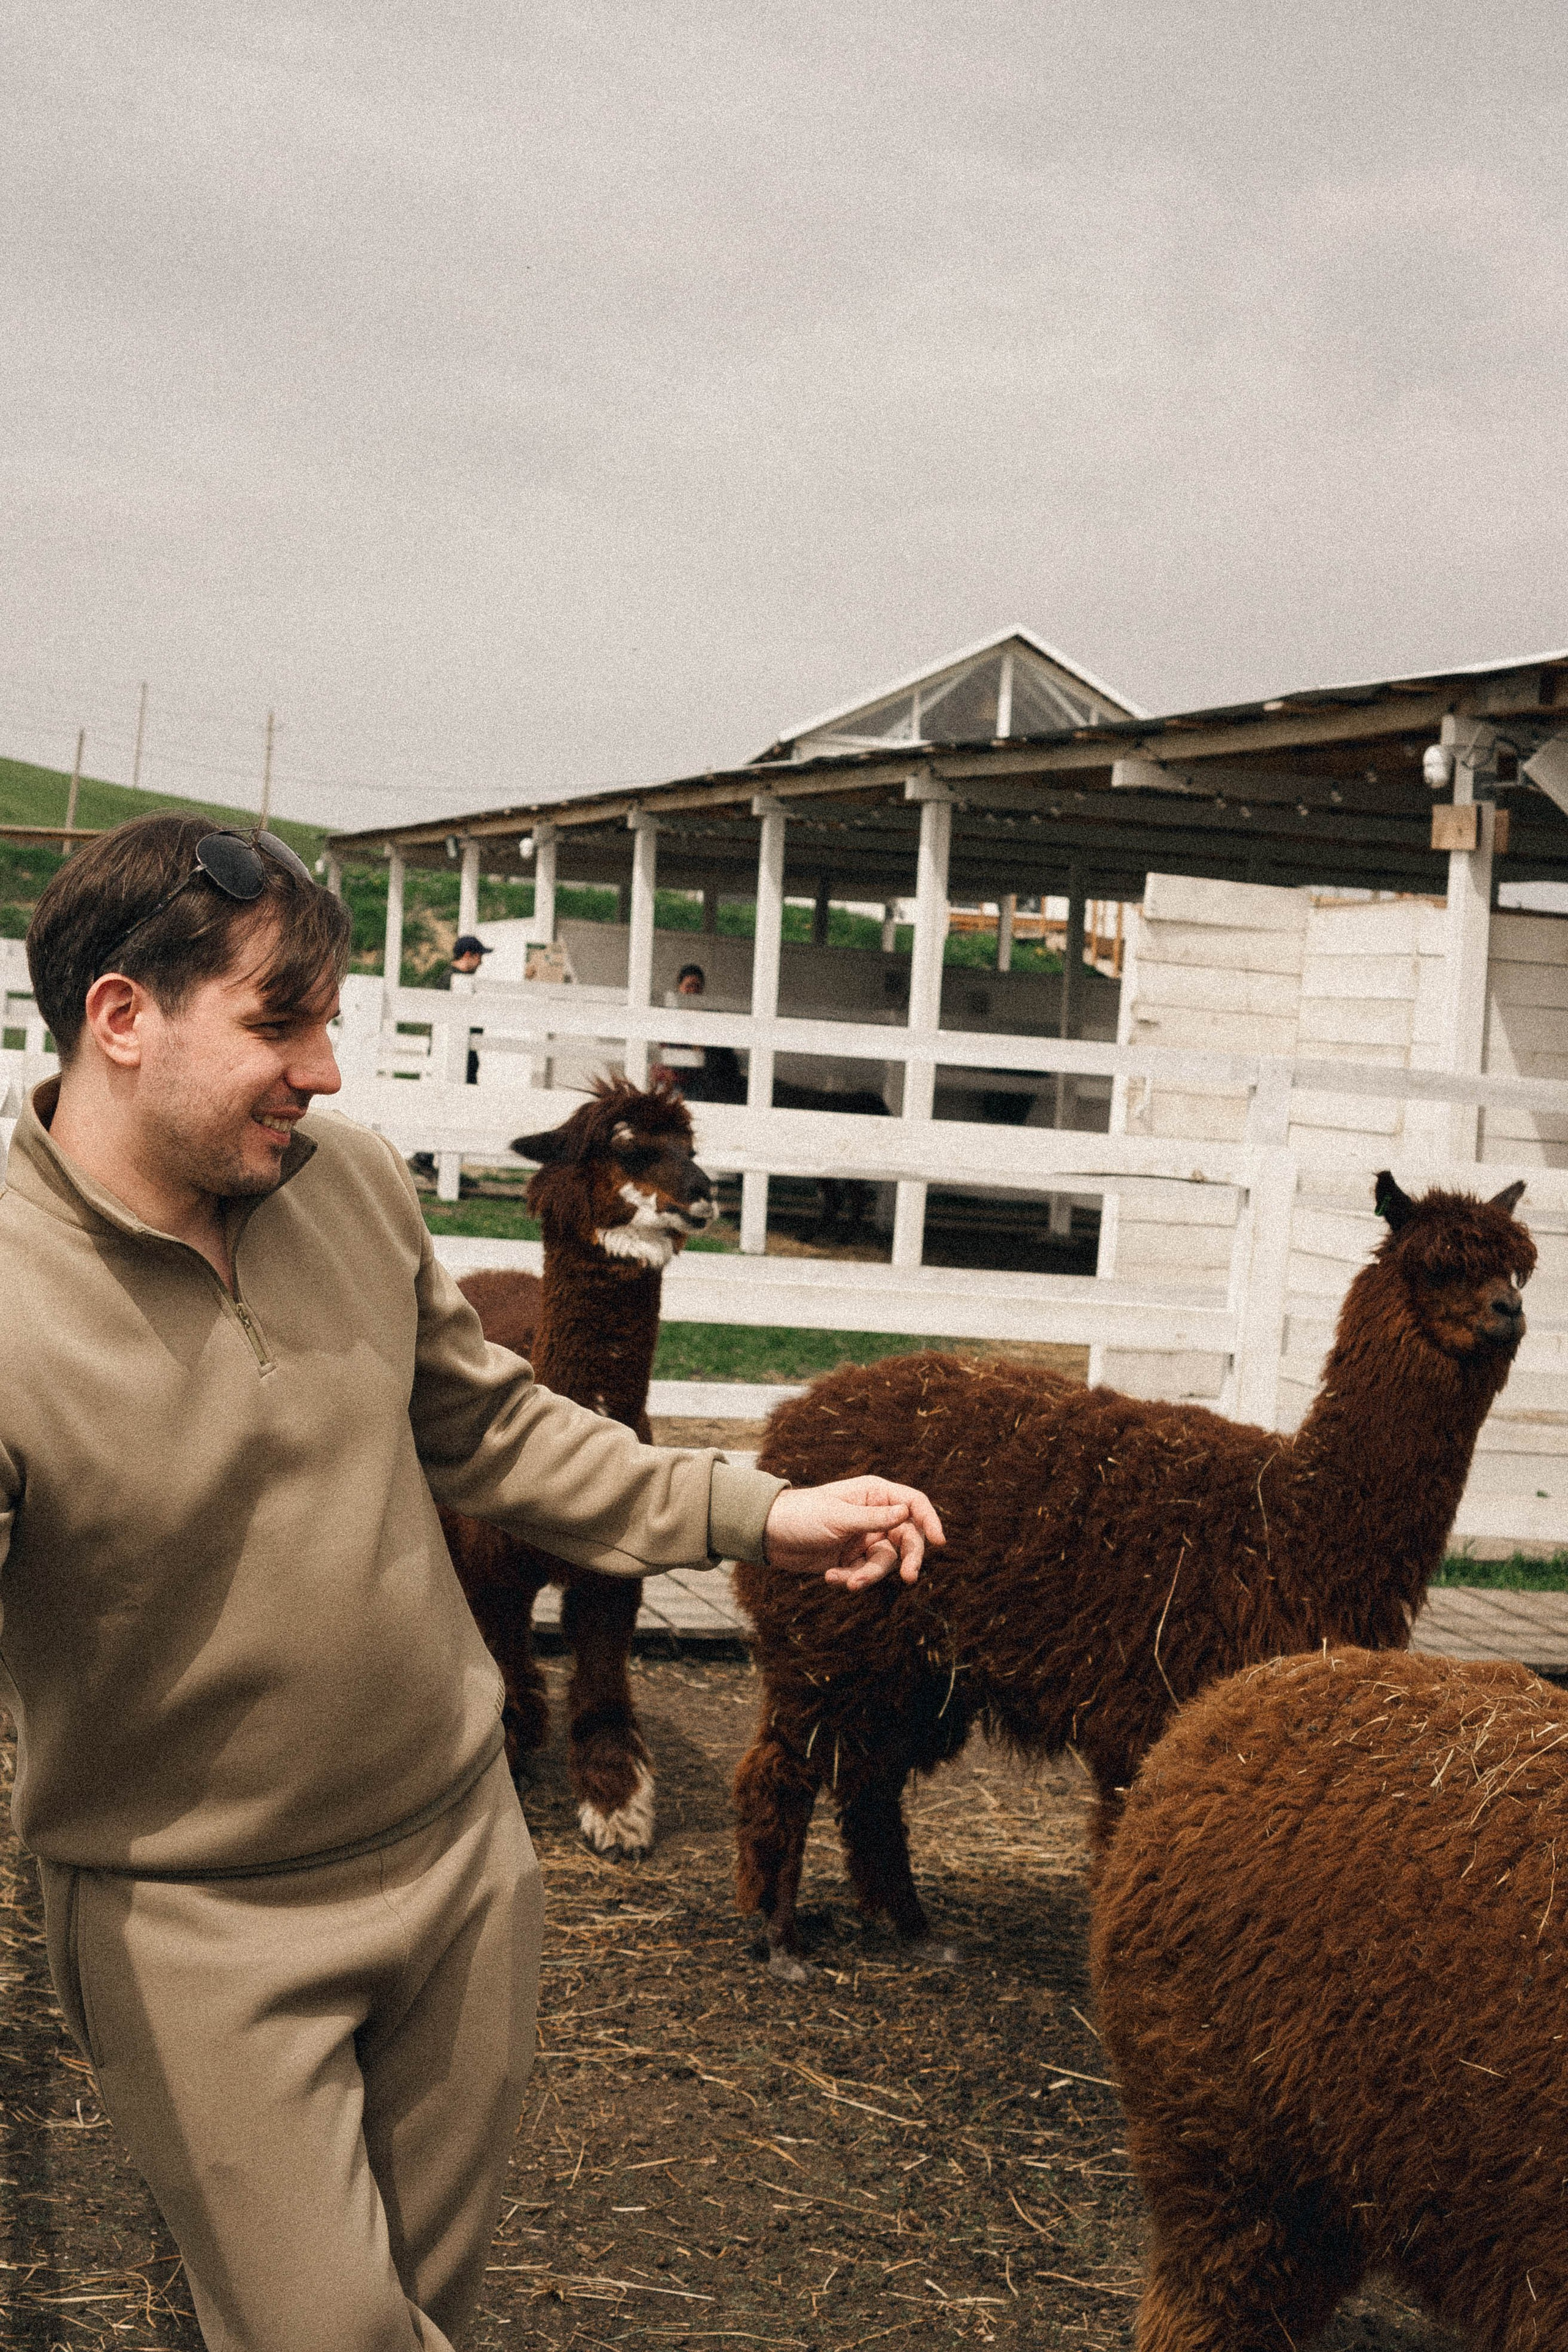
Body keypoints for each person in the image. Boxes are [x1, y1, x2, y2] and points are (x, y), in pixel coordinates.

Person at [2, 813, 943, 2352]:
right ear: (122, 1017)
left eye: (331, 1021)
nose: (325, 1069)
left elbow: (492, 1426)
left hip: (457, 1868)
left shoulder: (348, 1184)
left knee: (413, 2305)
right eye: (278, 1021)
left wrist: (754, 1512)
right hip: (192, 1932)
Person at [450, 933, 488, 1084]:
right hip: (461, 1056)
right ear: (468, 955)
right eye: (479, 957)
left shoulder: (448, 978)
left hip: (463, 1055)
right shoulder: (454, 982)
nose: (480, 963)